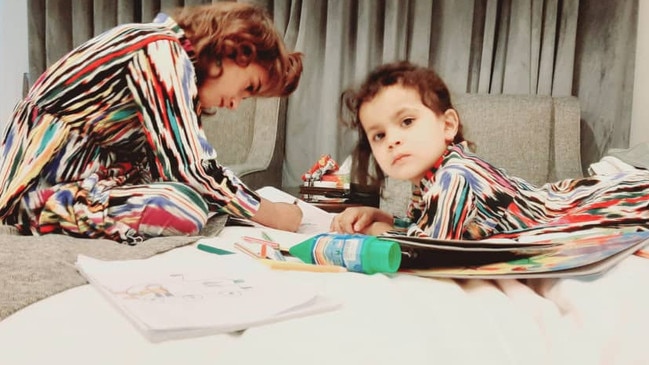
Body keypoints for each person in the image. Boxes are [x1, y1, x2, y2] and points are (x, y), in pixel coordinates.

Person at [0, 2, 303, 244]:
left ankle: (49, 208)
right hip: (36, 182)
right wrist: (271, 212)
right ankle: (32, 211)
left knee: (199, 200)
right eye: (248, 88)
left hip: (81, 175)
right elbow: (189, 169)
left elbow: (170, 169)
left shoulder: (165, 52)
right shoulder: (160, 49)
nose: (236, 103)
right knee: (186, 206)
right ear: (232, 48)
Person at [331, 61, 649, 240]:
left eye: (407, 121)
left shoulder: (455, 175)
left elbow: (430, 248)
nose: (392, 141)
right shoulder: (430, 179)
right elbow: (426, 223)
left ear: (447, 125)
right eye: (378, 135)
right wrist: (381, 215)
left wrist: (377, 234)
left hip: (596, 204)